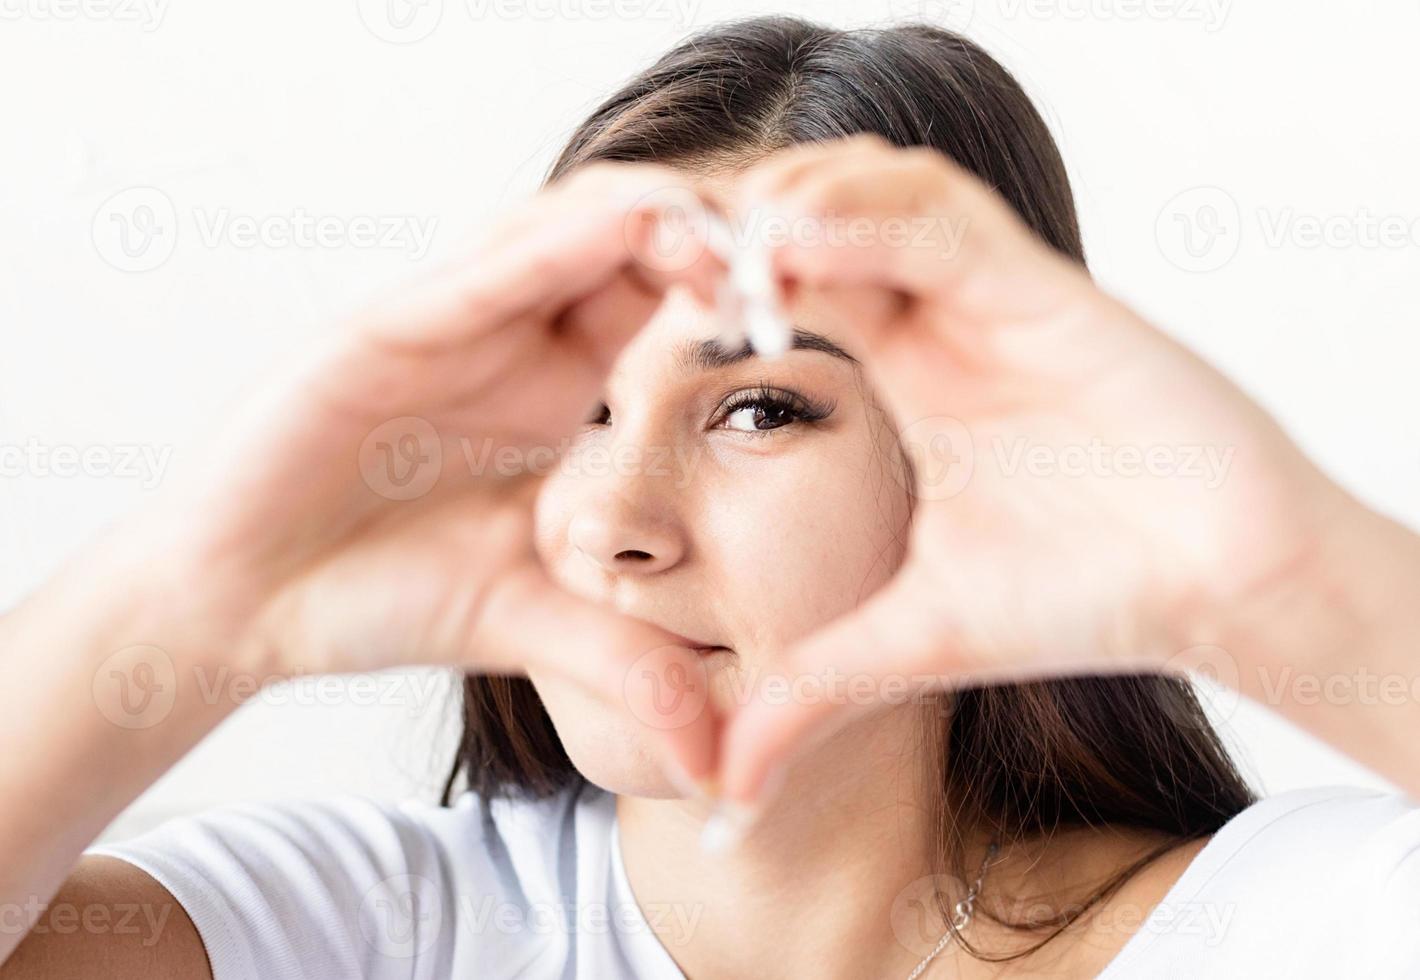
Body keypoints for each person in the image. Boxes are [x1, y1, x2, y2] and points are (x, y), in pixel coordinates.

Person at [4, 16, 1420, 979]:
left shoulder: (1272, 927)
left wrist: (1279, 586)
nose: (618, 521)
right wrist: (203, 602)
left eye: (757, 407)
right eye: (572, 409)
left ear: (971, 460)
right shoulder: (373, 927)